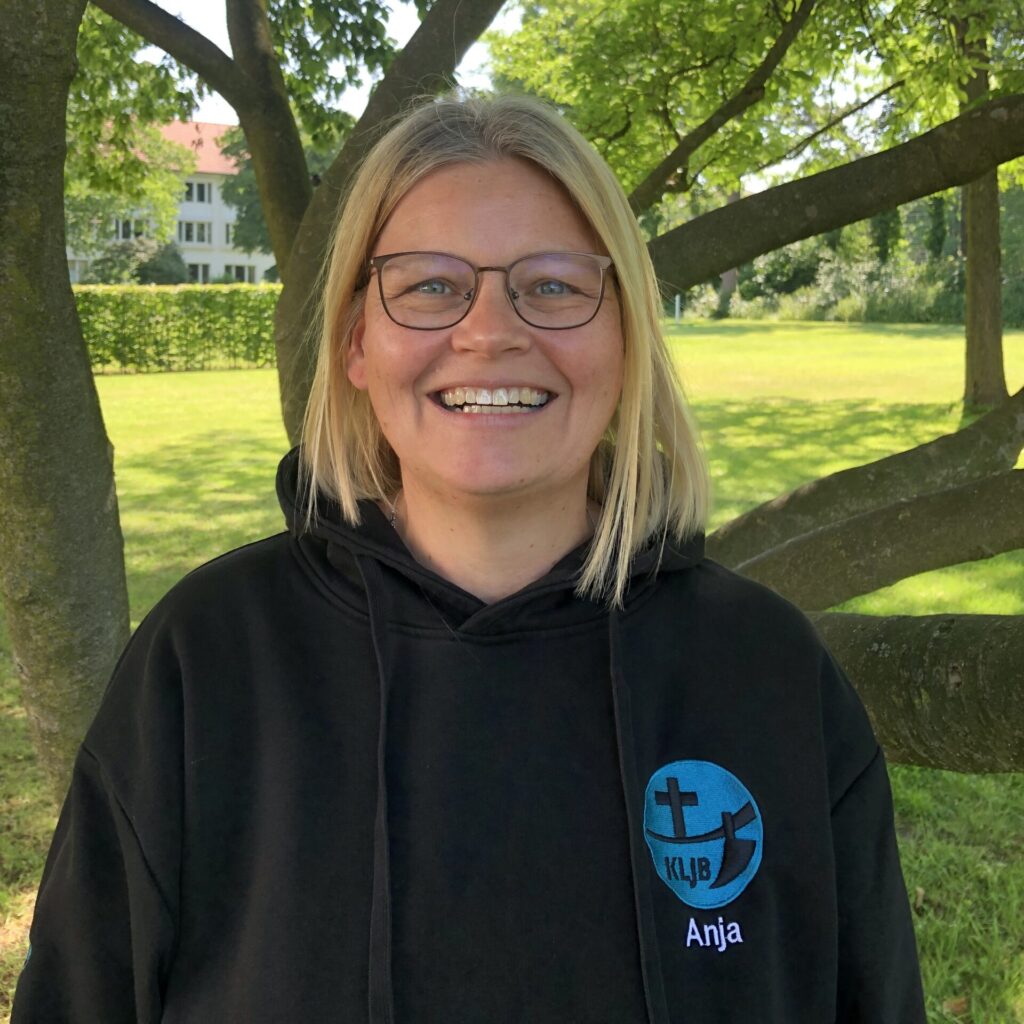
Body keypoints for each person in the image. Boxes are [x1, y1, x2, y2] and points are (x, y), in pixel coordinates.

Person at [13, 94, 926, 1023]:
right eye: (430, 286)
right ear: (356, 342)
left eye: (554, 285)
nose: (490, 331)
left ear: (627, 340)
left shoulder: (768, 675)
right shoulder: (205, 662)